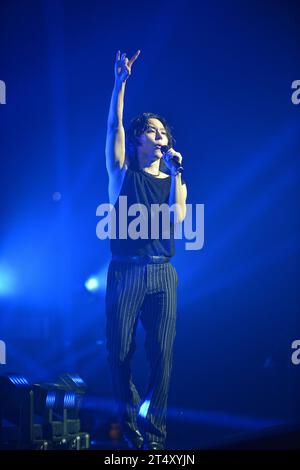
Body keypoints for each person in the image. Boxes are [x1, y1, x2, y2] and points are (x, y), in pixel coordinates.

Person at [105, 50, 187, 450]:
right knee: (119, 353)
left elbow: (177, 220)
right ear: (139, 139)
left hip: (162, 272)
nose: (160, 137)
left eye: (163, 133)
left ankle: (153, 439)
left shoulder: (175, 178)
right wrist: (120, 83)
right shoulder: (123, 173)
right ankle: (133, 420)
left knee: (163, 356)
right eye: (152, 132)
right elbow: (112, 129)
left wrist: (177, 175)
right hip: (125, 271)